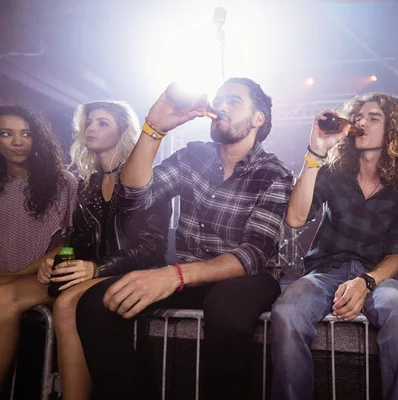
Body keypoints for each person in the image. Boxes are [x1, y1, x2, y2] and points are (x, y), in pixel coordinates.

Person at [75, 78, 293, 399]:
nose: (221, 106)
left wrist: (173, 275)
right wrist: (154, 128)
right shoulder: (194, 155)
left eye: (233, 101)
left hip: (248, 277)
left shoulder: (274, 173)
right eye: (219, 99)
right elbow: (132, 197)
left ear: (258, 119)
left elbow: (253, 254)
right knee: (99, 302)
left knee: (227, 305)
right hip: (189, 274)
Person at [271, 93, 398, 400]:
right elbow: (294, 218)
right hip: (325, 272)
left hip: (377, 276)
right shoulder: (333, 172)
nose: (361, 122)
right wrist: (315, 152)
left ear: (393, 129)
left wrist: (367, 282)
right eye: (358, 116)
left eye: (373, 117)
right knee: (287, 309)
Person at [33, 100, 171, 399]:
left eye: (102, 123)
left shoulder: (146, 176)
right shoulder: (89, 182)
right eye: (89, 122)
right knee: (59, 300)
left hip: (140, 272)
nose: (91, 128)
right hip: (99, 273)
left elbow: (150, 246)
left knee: (67, 303)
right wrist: (56, 258)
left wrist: (97, 268)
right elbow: (81, 238)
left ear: (123, 130)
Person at [0, 104, 78, 390]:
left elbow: (70, 244)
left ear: (38, 139)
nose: (17, 141)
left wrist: (16, 274)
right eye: (6, 133)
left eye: (26, 133)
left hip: (43, 279)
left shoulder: (63, 184)